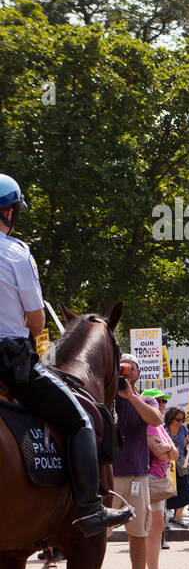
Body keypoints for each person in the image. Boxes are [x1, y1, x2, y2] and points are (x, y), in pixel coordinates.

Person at [0, 173, 131, 535]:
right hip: (10, 364)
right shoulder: (17, 253)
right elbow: (38, 322)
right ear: (11, 212)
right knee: (80, 422)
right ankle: (90, 509)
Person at [111, 354, 165, 569]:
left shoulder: (146, 400)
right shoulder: (106, 396)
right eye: (122, 366)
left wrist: (131, 397)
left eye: (130, 367)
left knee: (138, 534)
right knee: (100, 533)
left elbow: (156, 420)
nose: (126, 370)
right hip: (109, 477)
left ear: (139, 372)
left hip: (137, 476)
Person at [143, 396, 178, 569]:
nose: (163, 405)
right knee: (152, 526)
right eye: (159, 402)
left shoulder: (159, 428)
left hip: (157, 478)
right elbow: (161, 453)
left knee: (153, 526)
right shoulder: (150, 427)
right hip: (150, 479)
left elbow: (174, 454)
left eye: (164, 402)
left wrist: (170, 449)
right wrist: (169, 449)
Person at [163, 406, 189, 528]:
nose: (180, 422)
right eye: (177, 419)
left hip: (181, 465)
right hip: (167, 465)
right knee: (166, 494)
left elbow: (188, 442)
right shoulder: (164, 429)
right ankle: (164, 520)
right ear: (171, 418)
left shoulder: (183, 428)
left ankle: (177, 518)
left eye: (182, 419)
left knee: (186, 493)